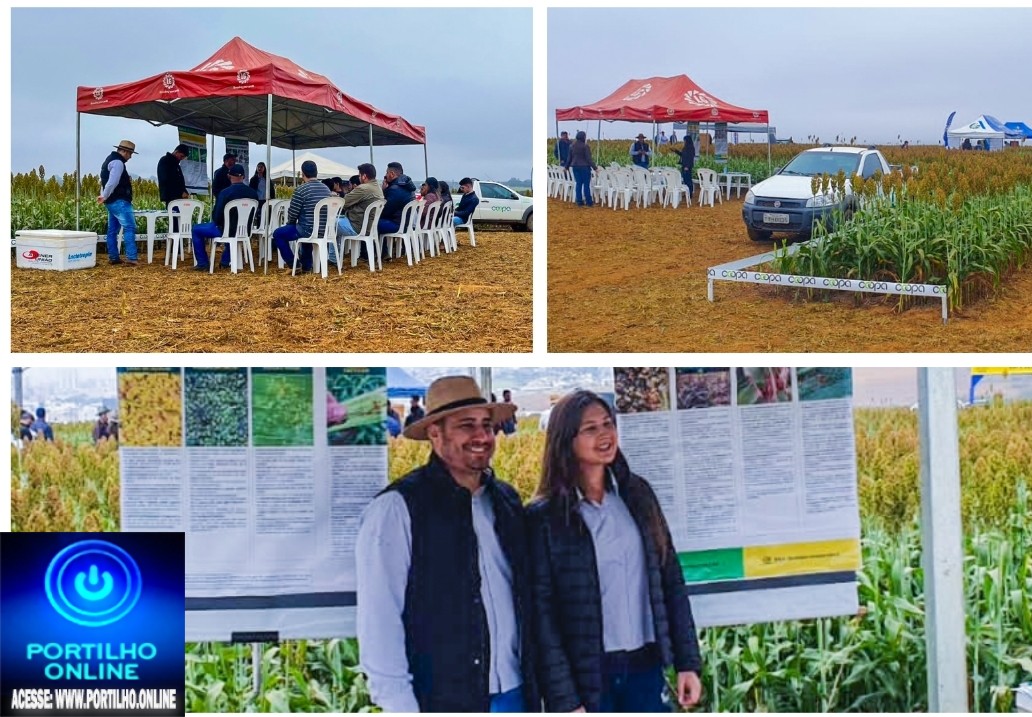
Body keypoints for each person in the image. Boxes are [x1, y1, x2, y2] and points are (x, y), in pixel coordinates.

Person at [355, 376, 539, 712]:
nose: (482, 436)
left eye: (486, 424)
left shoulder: (506, 500)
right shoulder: (397, 509)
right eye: (466, 425)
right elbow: (380, 623)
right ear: (435, 434)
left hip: (517, 694)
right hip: (443, 700)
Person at [527, 390, 703, 713]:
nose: (604, 434)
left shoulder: (637, 495)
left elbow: (670, 582)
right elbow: (542, 616)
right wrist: (565, 700)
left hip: (645, 667)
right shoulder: (545, 517)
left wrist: (686, 663)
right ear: (566, 440)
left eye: (608, 423)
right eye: (590, 428)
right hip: (591, 678)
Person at [190, 164, 259, 271]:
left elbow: (216, 217)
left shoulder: (224, 193)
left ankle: (203, 263)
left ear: (229, 176)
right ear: (244, 177)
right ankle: (225, 261)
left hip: (225, 230)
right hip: (245, 231)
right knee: (233, 230)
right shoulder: (253, 194)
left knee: (196, 229)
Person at [273, 159, 332, 274]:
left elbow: (293, 213)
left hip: (307, 229)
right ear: (317, 172)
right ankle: (306, 266)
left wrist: (290, 223)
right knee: (305, 231)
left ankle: (293, 264)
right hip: (325, 230)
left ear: (302, 174)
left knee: (278, 234)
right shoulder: (326, 189)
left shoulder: (301, 190)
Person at [97, 139, 140, 266]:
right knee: (129, 227)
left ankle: (114, 257)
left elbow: (105, 181)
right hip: (119, 201)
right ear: (125, 152)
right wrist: (104, 196)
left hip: (111, 202)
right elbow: (112, 182)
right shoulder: (118, 163)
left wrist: (104, 196)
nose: (130, 157)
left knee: (112, 230)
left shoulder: (109, 160)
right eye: (130, 154)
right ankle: (131, 258)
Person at [336, 163, 384, 241]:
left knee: (331, 223)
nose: (359, 178)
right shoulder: (378, 188)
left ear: (364, 176)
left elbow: (343, 203)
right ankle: (337, 252)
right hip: (369, 227)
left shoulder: (363, 188)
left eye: (359, 175)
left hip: (357, 227)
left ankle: (332, 253)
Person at [379, 162, 417, 235]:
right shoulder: (408, 186)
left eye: (387, 173)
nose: (385, 175)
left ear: (392, 174)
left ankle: (379, 246)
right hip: (407, 223)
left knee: (371, 224)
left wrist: (383, 191)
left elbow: (385, 212)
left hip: (397, 224)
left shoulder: (394, 189)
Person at [563, 131, 598, 208]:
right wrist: (595, 168)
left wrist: (566, 167)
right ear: (583, 137)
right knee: (586, 185)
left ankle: (579, 201)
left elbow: (569, 158)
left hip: (575, 167)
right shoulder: (585, 146)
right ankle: (589, 202)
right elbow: (589, 159)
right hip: (584, 167)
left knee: (578, 184)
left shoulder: (571, 146)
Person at [157, 143, 190, 216]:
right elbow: (166, 179)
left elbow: (180, 181)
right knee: (175, 220)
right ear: (176, 152)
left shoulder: (176, 165)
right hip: (171, 197)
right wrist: (181, 192)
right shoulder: (165, 161)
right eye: (181, 156)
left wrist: (184, 191)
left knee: (180, 220)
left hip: (179, 198)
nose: (181, 158)